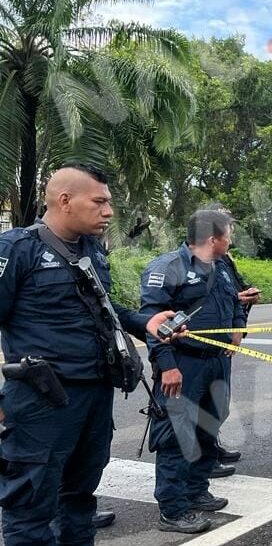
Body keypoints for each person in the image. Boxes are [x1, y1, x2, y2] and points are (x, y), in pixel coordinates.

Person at [0, 164, 179, 546]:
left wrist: (144, 323)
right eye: (99, 202)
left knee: (80, 500)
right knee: (29, 507)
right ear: (65, 201)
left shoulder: (91, 251)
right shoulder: (17, 248)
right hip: (40, 400)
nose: (109, 212)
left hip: (93, 396)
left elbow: (103, 307)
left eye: (109, 203)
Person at [140, 210, 245, 534]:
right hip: (183, 363)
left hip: (216, 361)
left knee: (209, 426)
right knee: (176, 435)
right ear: (213, 238)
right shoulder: (168, 267)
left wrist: (239, 328)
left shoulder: (223, 267)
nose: (231, 239)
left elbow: (236, 301)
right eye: (228, 233)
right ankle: (173, 509)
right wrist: (168, 365)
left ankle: (196, 490)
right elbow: (152, 321)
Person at [205, 203, 260, 472]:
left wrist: (247, 296)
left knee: (218, 402)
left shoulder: (225, 260)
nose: (231, 232)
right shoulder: (187, 261)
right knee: (199, 404)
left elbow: (236, 289)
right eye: (227, 226)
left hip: (224, 341)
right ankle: (203, 460)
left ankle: (211, 449)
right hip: (200, 347)